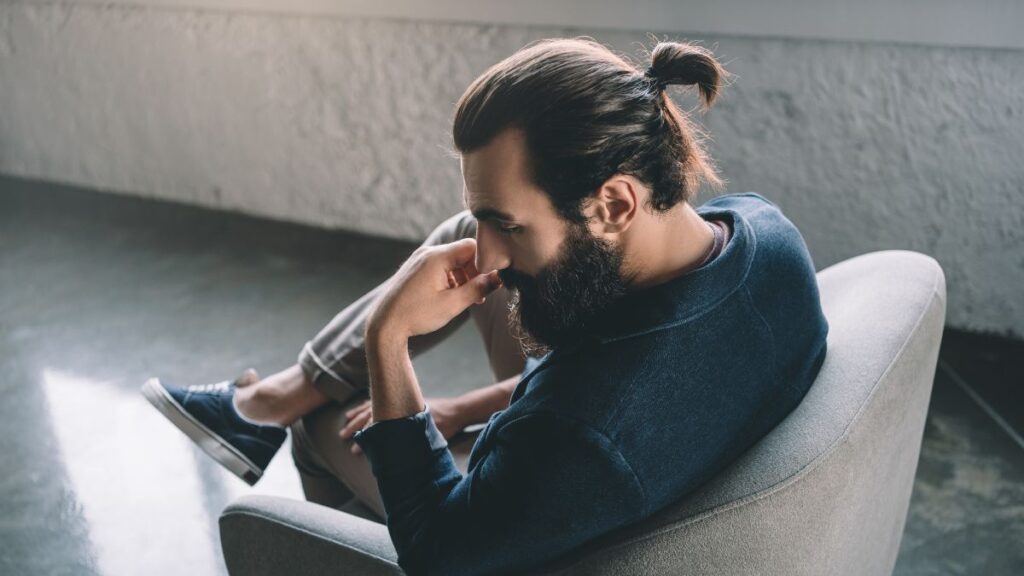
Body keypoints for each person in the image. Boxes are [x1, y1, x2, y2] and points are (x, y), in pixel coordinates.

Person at [142, 36, 829, 576]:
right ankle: (266, 407)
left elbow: (439, 549)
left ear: (616, 202)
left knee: (325, 425)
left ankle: (284, 426)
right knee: (458, 243)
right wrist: (463, 408)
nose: (491, 253)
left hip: (536, 516)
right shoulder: (764, 234)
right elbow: (618, 383)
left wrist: (389, 336)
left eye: (509, 225)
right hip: (632, 435)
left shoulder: (581, 428)